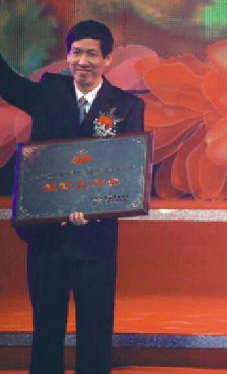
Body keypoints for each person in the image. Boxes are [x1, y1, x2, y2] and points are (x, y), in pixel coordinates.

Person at [0, 20, 144, 374]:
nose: (83, 61)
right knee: (46, 330)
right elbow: (7, 83)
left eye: (91, 54)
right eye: (76, 53)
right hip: (48, 237)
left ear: (107, 59)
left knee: (95, 333)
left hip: (96, 240)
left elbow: (129, 169)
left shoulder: (126, 106)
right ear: (67, 56)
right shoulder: (49, 93)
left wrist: (94, 208)